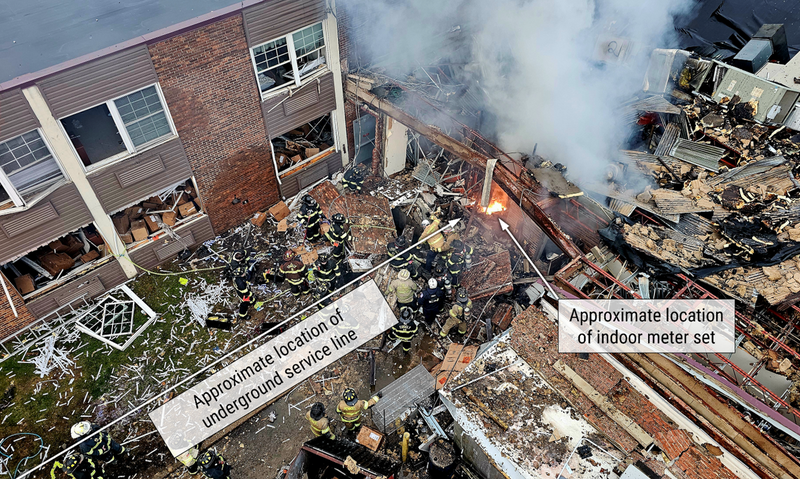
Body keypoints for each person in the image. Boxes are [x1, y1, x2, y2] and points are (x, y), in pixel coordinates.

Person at [325, 213, 351, 286]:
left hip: (332, 238)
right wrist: (354, 238)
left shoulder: (334, 222)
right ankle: (337, 257)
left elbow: (343, 220)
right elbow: (345, 237)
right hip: (337, 242)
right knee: (338, 250)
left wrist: (349, 221)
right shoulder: (338, 228)